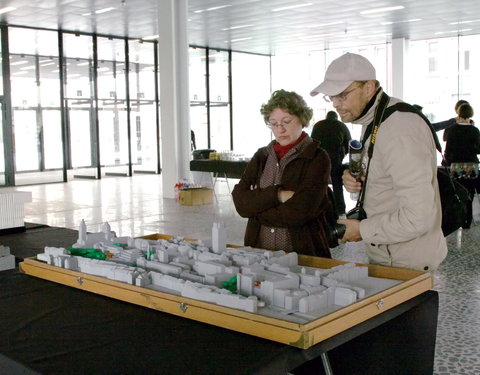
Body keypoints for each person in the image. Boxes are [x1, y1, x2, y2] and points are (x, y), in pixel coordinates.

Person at [310, 52, 447, 271]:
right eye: (331, 97)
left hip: (406, 259)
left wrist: (361, 230)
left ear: (368, 87)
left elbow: (418, 217)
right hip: (389, 250)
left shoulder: (399, 129)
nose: (335, 103)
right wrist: (358, 179)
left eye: (342, 95)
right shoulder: (374, 119)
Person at [232, 89, 331, 258]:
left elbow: (302, 211)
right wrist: (277, 195)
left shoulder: (317, 156)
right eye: (274, 123)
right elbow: (241, 203)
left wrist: (256, 208)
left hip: (303, 253)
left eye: (286, 121)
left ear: (302, 119)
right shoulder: (262, 156)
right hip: (259, 253)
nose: (280, 129)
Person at [444, 103, 480, 228]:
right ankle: (467, 222)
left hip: (456, 166)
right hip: (471, 166)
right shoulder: (474, 130)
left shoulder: (452, 130)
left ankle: (457, 220)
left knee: (458, 194)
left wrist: (447, 163)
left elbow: (447, 150)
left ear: (459, 114)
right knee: (470, 194)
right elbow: (479, 150)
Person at [311, 110, 351, 216]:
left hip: (319, 159)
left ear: (326, 117)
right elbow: (349, 145)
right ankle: (340, 210)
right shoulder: (342, 126)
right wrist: (342, 155)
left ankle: (319, 208)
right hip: (335, 158)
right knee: (337, 185)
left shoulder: (318, 125)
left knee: (319, 184)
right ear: (336, 117)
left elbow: (312, 143)